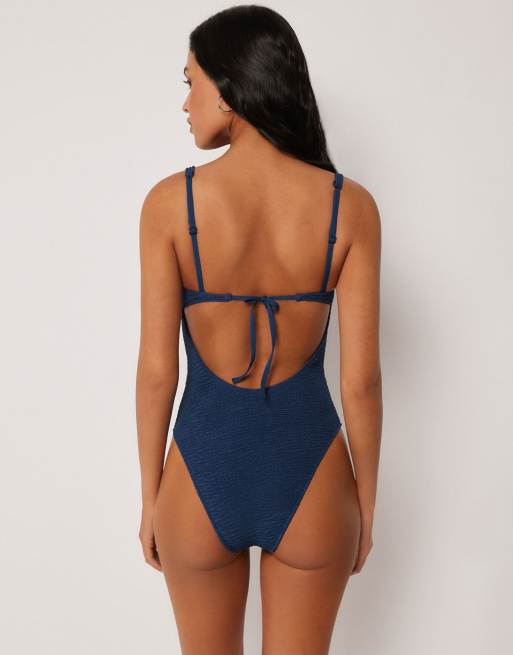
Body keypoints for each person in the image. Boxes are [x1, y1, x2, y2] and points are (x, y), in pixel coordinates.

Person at [136, 5, 382, 653]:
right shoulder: (349, 206)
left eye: (190, 82)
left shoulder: (169, 204)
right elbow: (360, 381)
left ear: (228, 87)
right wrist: (365, 502)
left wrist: (150, 497)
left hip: (199, 471)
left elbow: (157, 373)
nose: (185, 103)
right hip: (313, 475)